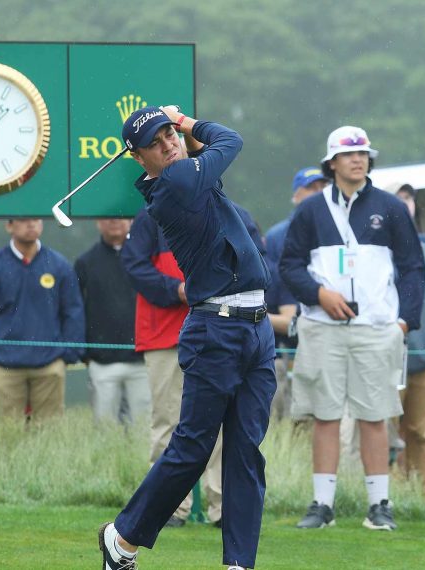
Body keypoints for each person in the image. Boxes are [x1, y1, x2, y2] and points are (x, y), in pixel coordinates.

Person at [99, 105, 274, 570]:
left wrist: (186, 138)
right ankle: (123, 535)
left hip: (256, 329)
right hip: (215, 330)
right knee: (193, 448)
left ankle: (239, 563)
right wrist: (188, 122)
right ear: (139, 158)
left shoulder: (191, 178)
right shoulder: (174, 185)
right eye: (156, 143)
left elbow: (210, 163)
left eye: (169, 135)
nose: (167, 144)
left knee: (245, 451)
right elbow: (231, 140)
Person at [280, 125, 424, 531]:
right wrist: (318, 294)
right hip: (322, 324)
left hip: (376, 327)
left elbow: (414, 267)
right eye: (349, 154)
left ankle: (379, 505)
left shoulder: (390, 207)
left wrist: (403, 321)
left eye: (363, 154)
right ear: (333, 162)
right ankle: (322, 505)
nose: (358, 159)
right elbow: (289, 265)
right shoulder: (310, 209)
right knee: (325, 415)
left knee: (374, 415)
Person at [122, 205, 224, 529]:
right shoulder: (151, 215)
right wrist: (176, 289)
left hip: (213, 330)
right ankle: (168, 508)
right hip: (164, 332)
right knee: (167, 420)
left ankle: (223, 507)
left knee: (217, 422)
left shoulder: (217, 210)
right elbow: (134, 266)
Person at [0, 218, 84, 421]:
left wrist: (67, 355)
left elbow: (73, 312)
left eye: (35, 219)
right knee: (10, 437)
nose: (31, 224)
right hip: (4, 367)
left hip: (49, 365)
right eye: (23, 220)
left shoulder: (58, 265)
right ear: (9, 225)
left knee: (49, 437)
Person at [388, 182, 425, 495]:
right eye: (397, 197)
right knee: (387, 428)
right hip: (389, 352)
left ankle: (419, 497)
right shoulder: (378, 246)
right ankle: (388, 497)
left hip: (424, 352)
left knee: (419, 431)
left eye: (408, 197)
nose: (404, 202)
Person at [263, 166, 329, 418]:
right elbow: (274, 284)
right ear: (295, 195)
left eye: (323, 187)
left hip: (331, 322)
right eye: (311, 188)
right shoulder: (278, 235)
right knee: (292, 410)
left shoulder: (337, 227)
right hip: (287, 332)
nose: (318, 193)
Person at [75, 218, 151, 426]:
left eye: (120, 216)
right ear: (97, 222)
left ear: (132, 220)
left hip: (142, 360)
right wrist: (85, 353)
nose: (114, 222)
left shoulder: (145, 258)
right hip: (102, 362)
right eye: (108, 217)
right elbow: (77, 309)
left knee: (144, 428)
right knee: (105, 428)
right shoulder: (86, 262)